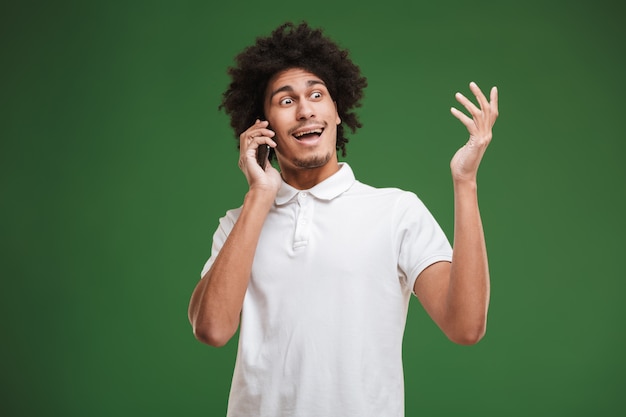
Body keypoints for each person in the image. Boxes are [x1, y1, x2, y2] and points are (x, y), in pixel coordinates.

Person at [188, 21, 498, 417]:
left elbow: (466, 326)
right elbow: (211, 330)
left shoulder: (395, 211)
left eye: (317, 95)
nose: (305, 110)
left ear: (336, 111)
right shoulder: (237, 224)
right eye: (285, 101)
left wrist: (465, 182)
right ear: (260, 125)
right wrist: (259, 195)